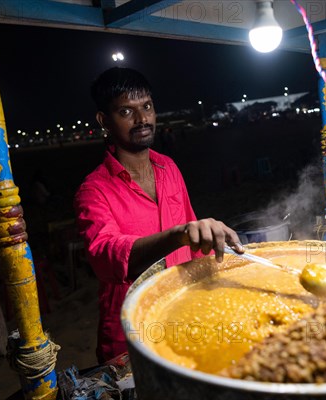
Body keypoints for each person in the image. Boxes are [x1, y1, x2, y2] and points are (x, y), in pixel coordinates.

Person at [74, 67, 243, 364]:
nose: (142, 120)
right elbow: (107, 257)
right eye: (127, 111)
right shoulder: (93, 190)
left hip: (185, 315)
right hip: (132, 333)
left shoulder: (168, 167)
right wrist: (178, 234)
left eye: (147, 107)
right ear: (104, 121)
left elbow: (192, 242)